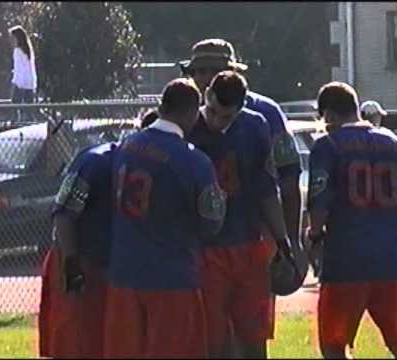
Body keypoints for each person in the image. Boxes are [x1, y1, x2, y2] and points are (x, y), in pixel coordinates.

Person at [180, 38, 307, 355]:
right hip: (199, 246)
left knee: (252, 336)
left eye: (215, 69)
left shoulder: (263, 115)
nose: (206, 77)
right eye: (200, 70)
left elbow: (285, 180)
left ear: (232, 72)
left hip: (251, 239)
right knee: (208, 338)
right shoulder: (183, 112)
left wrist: (288, 238)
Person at [103, 78, 227, 358]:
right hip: (171, 278)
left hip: (124, 272)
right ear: (192, 112)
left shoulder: (126, 146)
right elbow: (211, 224)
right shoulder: (194, 160)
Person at [307, 81, 397, 359]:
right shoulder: (396, 144)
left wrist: (315, 236)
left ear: (328, 114)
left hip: (346, 260)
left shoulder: (327, 146)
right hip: (392, 258)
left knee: (334, 345)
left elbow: (319, 201)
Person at [38, 141, 116, 359]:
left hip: (111, 266)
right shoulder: (96, 162)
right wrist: (71, 263)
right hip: (81, 260)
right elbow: (63, 214)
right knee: (75, 341)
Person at [8, 25, 37, 103]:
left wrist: (14, 83)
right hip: (30, 83)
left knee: (15, 106)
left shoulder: (17, 51)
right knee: (29, 109)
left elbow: (18, 69)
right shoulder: (29, 51)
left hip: (20, 83)